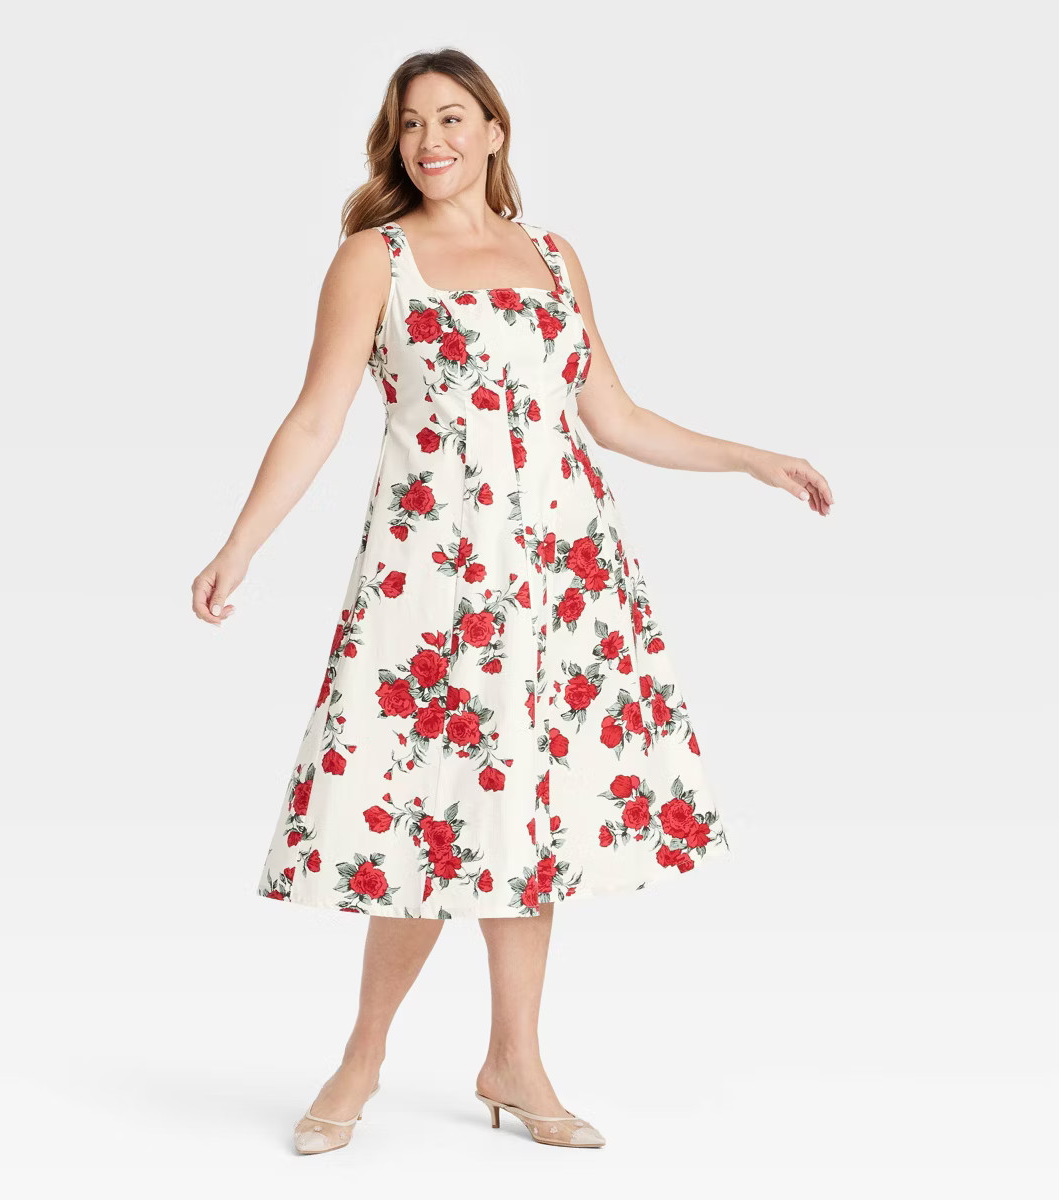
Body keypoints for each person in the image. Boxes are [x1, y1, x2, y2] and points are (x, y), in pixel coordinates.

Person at [191, 47, 833, 1155]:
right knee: (425, 817)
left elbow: (614, 417)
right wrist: (239, 545)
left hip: (559, 579)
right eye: (410, 124)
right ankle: (362, 1058)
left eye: (451, 118)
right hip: (435, 580)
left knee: (525, 818)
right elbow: (316, 418)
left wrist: (750, 458)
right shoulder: (374, 259)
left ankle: (514, 1062)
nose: (429, 141)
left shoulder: (554, 255)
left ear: (494, 131)